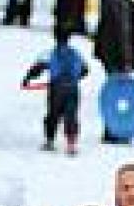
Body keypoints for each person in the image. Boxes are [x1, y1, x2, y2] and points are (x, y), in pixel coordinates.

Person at [23, 26, 89, 155]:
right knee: (71, 115)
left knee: (53, 114)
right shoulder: (76, 53)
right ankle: (71, 144)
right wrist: (74, 79)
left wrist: (27, 79)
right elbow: (85, 70)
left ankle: (49, 141)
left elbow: (37, 68)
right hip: (73, 89)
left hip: (56, 89)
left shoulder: (49, 53)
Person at [95, 0, 134, 143]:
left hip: (109, 50)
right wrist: (127, 60)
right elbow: (123, 31)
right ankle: (115, 131)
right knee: (117, 94)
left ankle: (113, 130)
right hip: (116, 54)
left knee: (114, 92)